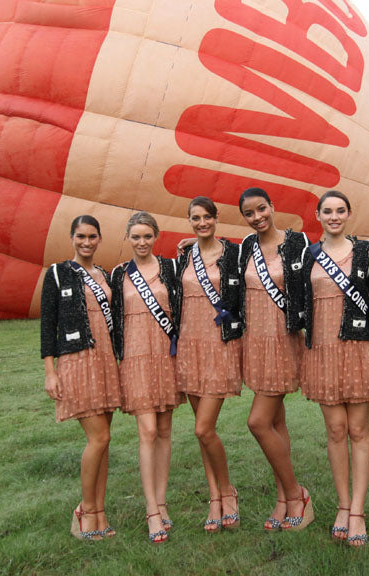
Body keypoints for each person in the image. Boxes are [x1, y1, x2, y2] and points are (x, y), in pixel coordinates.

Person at [295, 190, 369, 546]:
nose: (334, 216)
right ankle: (343, 505)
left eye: (341, 210)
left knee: (358, 429)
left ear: (349, 214)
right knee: (336, 430)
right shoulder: (307, 254)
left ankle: (358, 510)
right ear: (318, 215)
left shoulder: (366, 252)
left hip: (357, 347)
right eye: (327, 211)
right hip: (323, 349)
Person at [235, 187, 315, 532]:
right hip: (256, 341)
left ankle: (298, 495)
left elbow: (319, 270)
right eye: (249, 213)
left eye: (261, 209)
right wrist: (192, 244)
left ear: (272, 206)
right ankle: (283, 498)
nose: (257, 217)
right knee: (276, 423)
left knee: (257, 422)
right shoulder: (245, 247)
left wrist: (363, 247)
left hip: (283, 340)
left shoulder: (298, 242)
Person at [40, 215, 122, 541]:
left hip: (106, 361)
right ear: (72, 238)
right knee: (98, 438)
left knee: (104, 443)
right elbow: (48, 326)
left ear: (99, 239)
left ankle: (99, 514)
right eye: (81, 236)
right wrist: (50, 372)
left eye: (92, 237)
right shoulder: (57, 273)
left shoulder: (105, 275)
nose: (86, 242)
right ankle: (85, 511)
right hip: (76, 361)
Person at [109, 211, 184, 544]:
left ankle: (162, 502)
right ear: (127, 238)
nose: (141, 242)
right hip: (136, 358)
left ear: (156, 236)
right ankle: (151, 510)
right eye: (136, 237)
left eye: (147, 236)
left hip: (165, 357)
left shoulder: (170, 268)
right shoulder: (118, 274)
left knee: (165, 431)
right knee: (148, 431)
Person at [173, 196, 246, 532]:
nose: (202, 223)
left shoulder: (233, 253)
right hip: (189, 345)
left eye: (207, 217)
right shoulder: (184, 257)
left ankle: (228, 490)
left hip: (219, 344)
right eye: (196, 218)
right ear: (189, 221)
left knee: (203, 428)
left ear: (217, 219)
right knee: (204, 432)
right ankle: (214, 497)